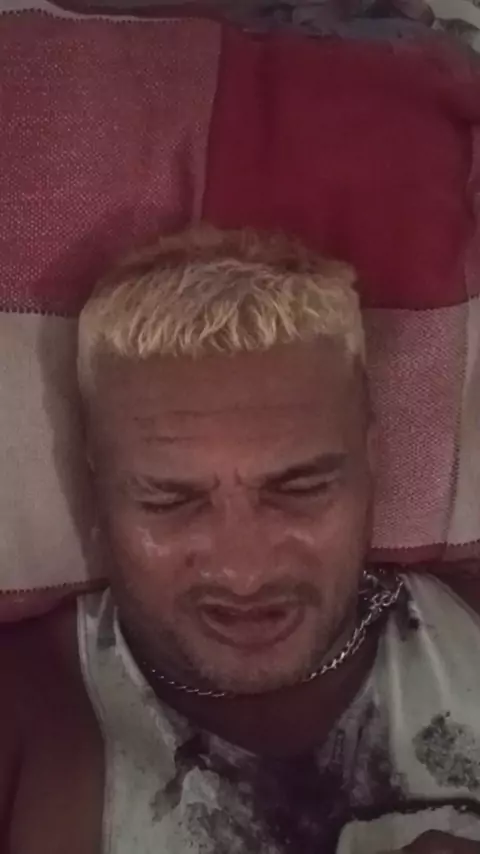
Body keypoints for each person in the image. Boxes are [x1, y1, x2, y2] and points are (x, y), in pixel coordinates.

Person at [2, 226, 480, 854]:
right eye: (170, 501)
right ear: (97, 491)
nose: (244, 570)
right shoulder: (27, 709)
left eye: (300, 488)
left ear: (371, 460)